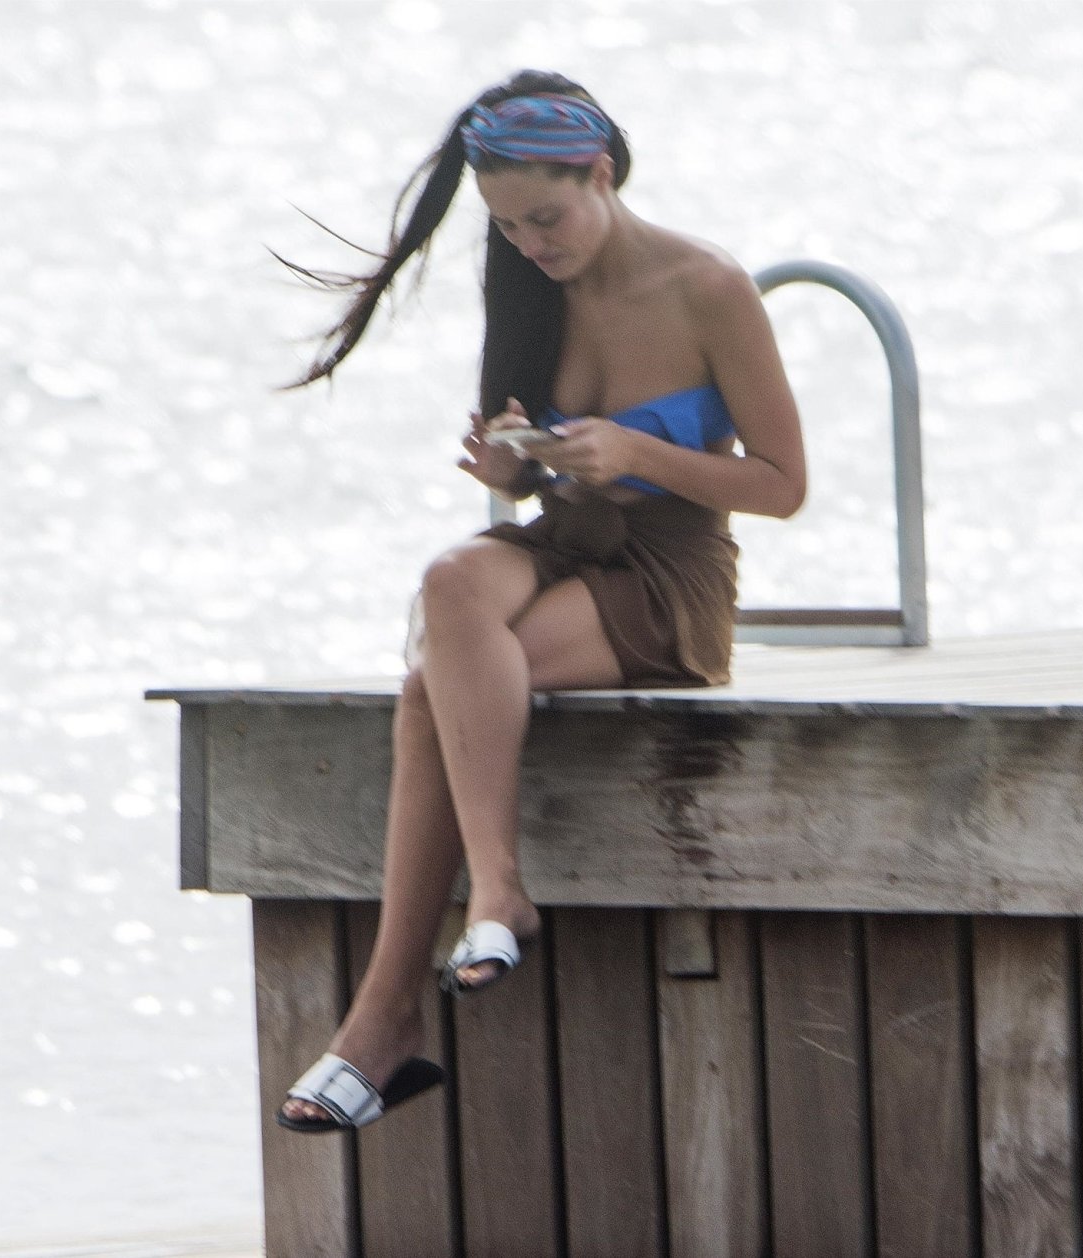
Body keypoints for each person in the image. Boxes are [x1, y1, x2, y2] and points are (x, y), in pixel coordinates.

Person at [274, 71, 806, 1132]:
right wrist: (509, 467)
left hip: (668, 573)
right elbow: (525, 486)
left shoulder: (709, 287)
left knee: (432, 690)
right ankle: (492, 896)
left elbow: (783, 485)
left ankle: (389, 1012)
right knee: (450, 579)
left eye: (545, 218)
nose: (529, 244)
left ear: (600, 173)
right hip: (561, 538)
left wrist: (640, 453)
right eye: (508, 227)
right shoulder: (527, 284)